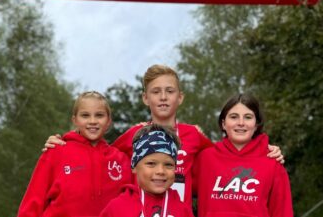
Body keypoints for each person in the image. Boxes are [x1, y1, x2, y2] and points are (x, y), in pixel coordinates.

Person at [44, 65, 284, 204]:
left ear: (180, 97)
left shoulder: (193, 135)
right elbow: (99, 153)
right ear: (145, 98)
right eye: (156, 92)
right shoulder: (134, 134)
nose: (163, 97)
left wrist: (264, 151)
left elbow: (227, 160)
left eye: (169, 91)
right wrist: (68, 141)